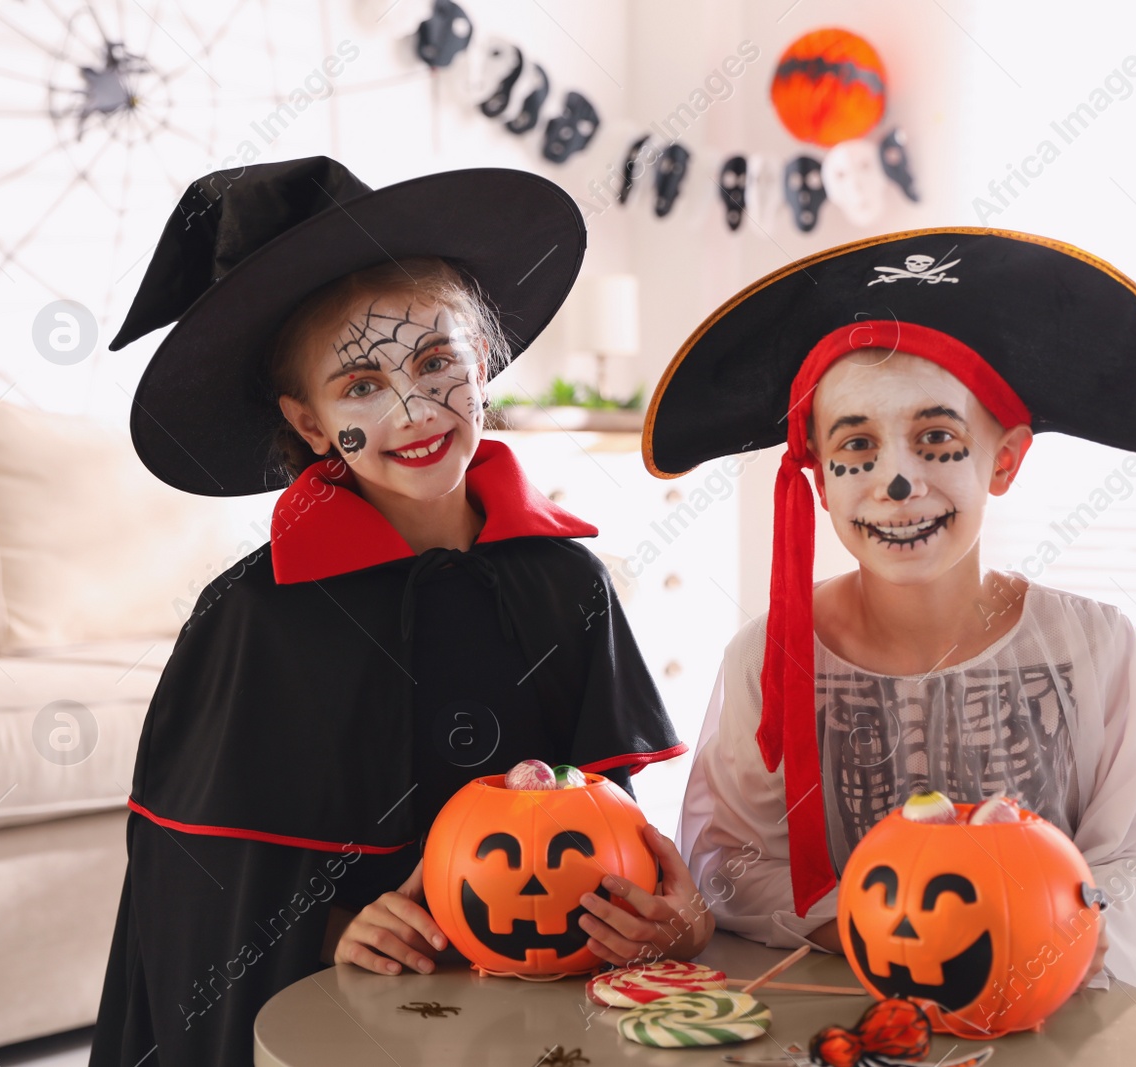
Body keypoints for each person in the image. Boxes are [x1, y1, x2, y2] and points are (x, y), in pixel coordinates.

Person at [88, 157, 711, 1067]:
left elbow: (616, 819)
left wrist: (672, 909)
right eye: (361, 387)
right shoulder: (253, 620)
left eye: (434, 362)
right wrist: (332, 926)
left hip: (545, 1011)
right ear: (308, 425)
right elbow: (194, 891)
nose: (414, 408)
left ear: (484, 361)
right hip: (368, 1012)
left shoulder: (568, 582)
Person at [648, 228, 1136, 997]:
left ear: (1005, 458)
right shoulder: (764, 658)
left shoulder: (1096, 649)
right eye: (857, 446)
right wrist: (898, 933)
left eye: (936, 437)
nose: (898, 482)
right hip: (840, 1008)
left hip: (1045, 1005)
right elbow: (731, 857)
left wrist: (1033, 936)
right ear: (815, 473)